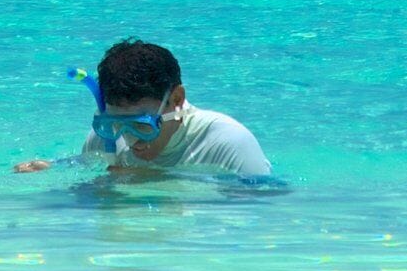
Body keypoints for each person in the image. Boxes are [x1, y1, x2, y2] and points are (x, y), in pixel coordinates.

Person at [15, 39, 272, 179]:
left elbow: (262, 213)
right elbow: (90, 166)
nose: (131, 139)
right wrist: (55, 166)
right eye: (118, 124)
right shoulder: (107, 137)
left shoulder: (228, 143)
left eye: (142, 124)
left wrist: (146, 182)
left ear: (177, 99)